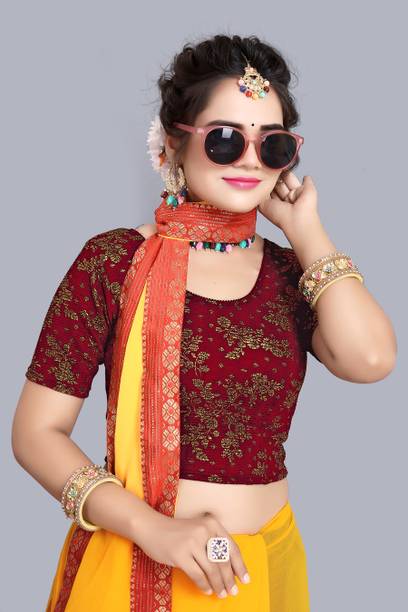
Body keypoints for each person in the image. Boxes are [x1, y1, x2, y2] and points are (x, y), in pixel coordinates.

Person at [11, 34, 397, 612]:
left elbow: (371, 360)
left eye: (272, 145)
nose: (249, 159)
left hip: (268, 565)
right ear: (173, 143)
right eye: (224, 139)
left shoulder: (291, 273)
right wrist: (153, 530)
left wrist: (306, 230)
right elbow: (35, 435)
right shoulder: (114, 262)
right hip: (148, 559)